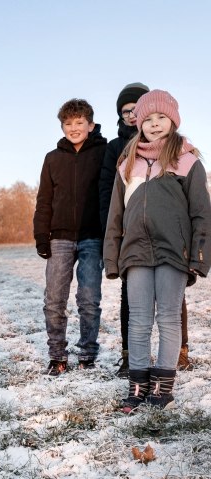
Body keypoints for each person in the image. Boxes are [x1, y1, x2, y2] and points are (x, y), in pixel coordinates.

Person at [104, 90, 211, 412]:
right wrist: (112, 255)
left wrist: (199, 255)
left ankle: (163, 387)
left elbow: (202, 213)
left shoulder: (188, 160)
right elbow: (115, 213)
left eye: (160, 117)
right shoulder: (127, 162)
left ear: (173, 120)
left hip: (173, 253)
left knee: (167, 318)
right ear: (139, 123)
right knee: (137, 319)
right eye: (147, 119)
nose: (153, 124)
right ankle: (137, 385)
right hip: (135, 251)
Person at [33, 98, 107, 376]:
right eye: (68, 123)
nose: (74, 128)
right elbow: (44, 201)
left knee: (88, 299)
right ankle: (57, 355)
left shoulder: (103, 153)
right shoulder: (52, 159)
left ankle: (87, 353)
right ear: (62, 126)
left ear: (90, 124)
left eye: (79, 123)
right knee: (54, 300)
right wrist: (42, 236)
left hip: (93, 236)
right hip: (59, 238)